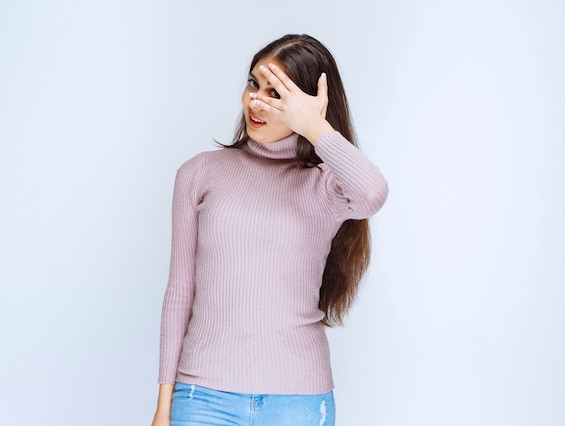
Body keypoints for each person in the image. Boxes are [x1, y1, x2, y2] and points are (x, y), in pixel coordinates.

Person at [151, 34, 388, 426]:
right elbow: (179, 293)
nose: (256, 101)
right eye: (253, 84)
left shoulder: (326, 185)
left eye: (276, 94)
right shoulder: (200, 173)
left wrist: (315, 129)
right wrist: (163, 406)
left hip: (299, 401)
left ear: (307, 106)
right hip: (203, 398)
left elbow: (373, 193)